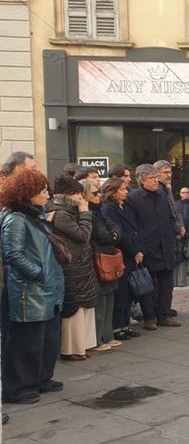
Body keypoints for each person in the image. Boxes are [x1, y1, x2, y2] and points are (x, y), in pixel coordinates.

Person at [1, 169, 64, 403]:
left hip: (47, 288)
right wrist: (39, 274)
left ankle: (41, 379)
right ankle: (19, 387)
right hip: (30, 290)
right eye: (43, 191)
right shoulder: (16, 219)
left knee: (47, 339)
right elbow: (13, 254)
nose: (47, 194)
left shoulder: (34, 215)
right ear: (28, 193)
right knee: (26, 342)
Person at [48, 174, 100, 360]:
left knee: (84, 306)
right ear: (70, 194)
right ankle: (71, 349)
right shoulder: (62, 214)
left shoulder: (67, 211)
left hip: (80, 263)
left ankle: (82, 345)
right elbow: (82, 235)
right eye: (78, 194)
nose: (81, 197)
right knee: (74, 309)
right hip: (72, 266)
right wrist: (85, 213)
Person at [125, 164, 180, 330]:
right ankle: (150, 317)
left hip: (165, 246)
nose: (156, 181)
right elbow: (132, 226)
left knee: (166, 285)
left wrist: (173, 231)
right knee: (148, 286)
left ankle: (163, 315)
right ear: (142, 180)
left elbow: (171, 217)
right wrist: (139, 248)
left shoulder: (162, 195)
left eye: (156, 177)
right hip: (148, 249)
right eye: (152, 178)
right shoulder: (133, 198)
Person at [82, 179, 122, 351]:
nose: (99, 196)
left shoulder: (100, 211)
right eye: (95, 193)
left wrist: (113, 235)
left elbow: (115, 228)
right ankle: (98, 339)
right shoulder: (88, 213)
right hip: (98, 257)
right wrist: (111, 235)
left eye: (99, 192)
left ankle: (107, 335)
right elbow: (102, 234)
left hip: (108, 254)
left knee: (109, 297)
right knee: (101, 301)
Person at [101, 177, 142, 340]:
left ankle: (125, 324)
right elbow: (121, 235)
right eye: (122, 189)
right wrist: (134, 250)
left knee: (129, 292)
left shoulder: (125, 207)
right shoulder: (109, 209)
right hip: (121, 254)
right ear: (113, 192)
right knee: (121, 293)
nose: (126, 192)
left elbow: (135, 230)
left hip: (133, 254)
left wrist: (139, 249)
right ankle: (117, 327)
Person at [154, 161, 186, 293]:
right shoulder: (159, 191)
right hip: (164, 239)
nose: (169, 175)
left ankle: (165, 307)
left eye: (170, 172)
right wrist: (176, 228)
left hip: (173, 236)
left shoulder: (167, 188)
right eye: (165, 172)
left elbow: (175, 210)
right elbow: (167, 214)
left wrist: (181, 226)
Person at [175, 187, 189, 287]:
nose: (185, 194)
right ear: (180, 194)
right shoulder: (176, 204)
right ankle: (178, 280)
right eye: (183, 192)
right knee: (179, 255)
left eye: (187, 192)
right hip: (178, 234)